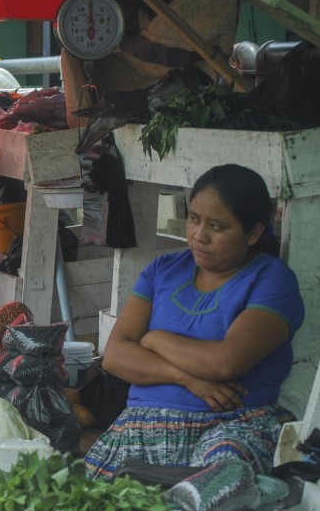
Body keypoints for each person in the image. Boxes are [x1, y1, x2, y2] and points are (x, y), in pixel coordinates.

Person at [85, 164, 305, 481]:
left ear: (254, 232)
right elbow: (116, 356)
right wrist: (188, 380)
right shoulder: (163, 270)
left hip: (231, 426)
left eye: (216, 226)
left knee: (215, 486)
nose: (199, 235)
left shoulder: (271, 280)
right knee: (93, 510)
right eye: (193, 219)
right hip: (140, 431)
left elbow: (225, 363)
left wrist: (154, 339)